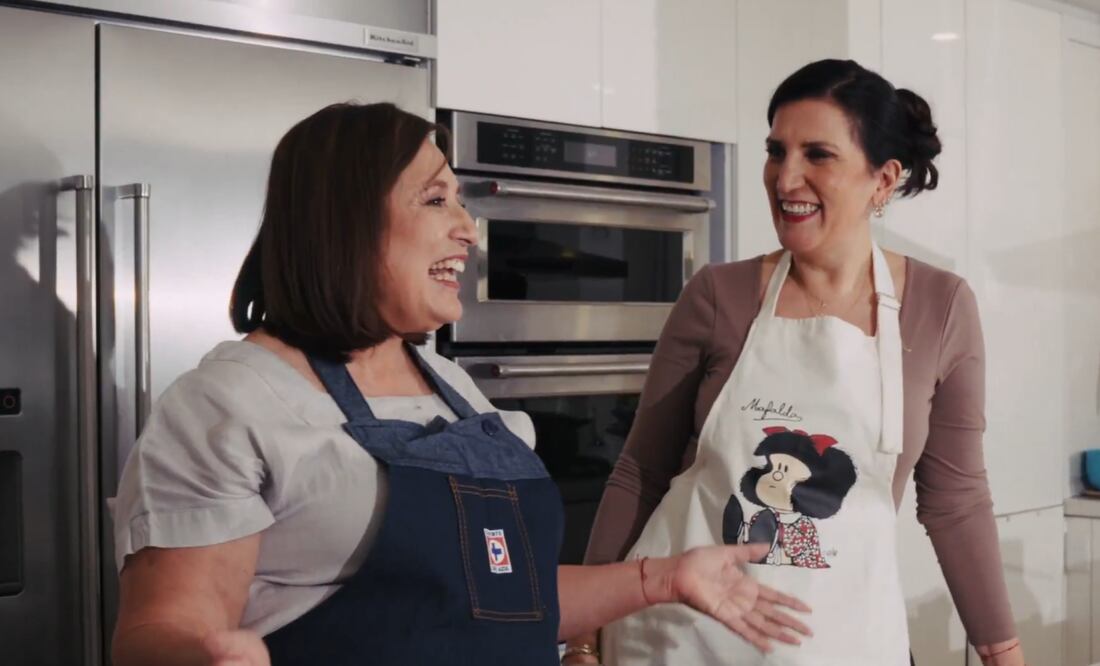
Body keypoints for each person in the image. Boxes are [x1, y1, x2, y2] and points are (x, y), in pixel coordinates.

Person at [108, 102, 812, 666]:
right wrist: (206, 656)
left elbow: (504, 597)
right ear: (349, 222)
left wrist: (662, 579)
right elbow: (159, 630)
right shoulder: (229, 405)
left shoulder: (449, 385)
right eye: (437, 198)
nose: (468, 229)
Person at [566, 59, 1025, 666]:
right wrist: (583, 637)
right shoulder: (718, 297)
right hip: (680, 643)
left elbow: (955, 501)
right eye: (776, 151)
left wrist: (1003, 652)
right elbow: (641, 473)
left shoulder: (939, 308)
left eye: (818, 155)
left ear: (883, 179)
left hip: (845, 642)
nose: (786, 179)